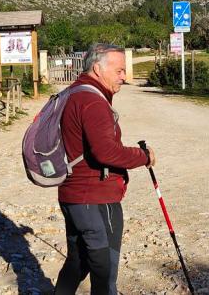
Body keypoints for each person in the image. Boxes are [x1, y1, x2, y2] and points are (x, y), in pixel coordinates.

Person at [54, 43, 155, 295]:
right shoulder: (92, 101)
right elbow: (106, 152)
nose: (124, 76)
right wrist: (143, 156)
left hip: (74, 196)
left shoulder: (75, 92)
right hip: (96, 200)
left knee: (78, 262)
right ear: (98, 68)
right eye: (119, 70)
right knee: (105, 274)